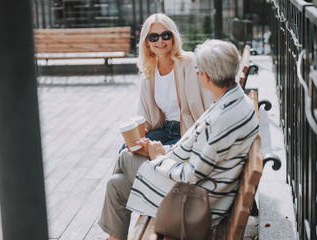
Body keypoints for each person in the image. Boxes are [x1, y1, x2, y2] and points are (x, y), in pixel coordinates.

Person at [99, 39, 260, 240]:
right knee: (116, 184)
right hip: (203, 190)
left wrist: (158, 158)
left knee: (125, 157)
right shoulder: (233, 100)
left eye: (198, 70)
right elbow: (197, 155)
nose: (196, 73)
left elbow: (191, 175)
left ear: (207, 77)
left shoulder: (222, 119)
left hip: (196, 202)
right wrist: (159, 151)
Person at [133, 13, 213, 146]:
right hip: (165, 130)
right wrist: (138, 133)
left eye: (166, 35)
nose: (160, 41)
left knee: (154, 153)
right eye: (153, 37)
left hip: (189, 132)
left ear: (173, 38)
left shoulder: (189, 64)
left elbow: (208, 102)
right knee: (127, 149)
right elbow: (145, 116)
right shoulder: (149, 73)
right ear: (146, 42)